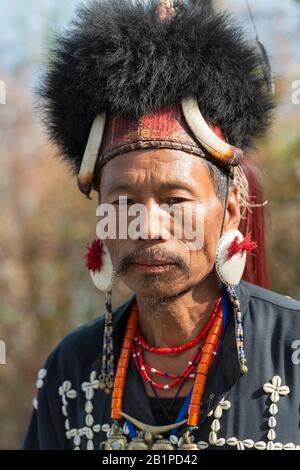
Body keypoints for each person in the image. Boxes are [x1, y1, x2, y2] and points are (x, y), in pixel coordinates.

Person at [23, 0, 300, 451]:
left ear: (230, 209)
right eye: (123, 201)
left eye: (175, 200)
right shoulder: (69, 370)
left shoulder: (292, 349)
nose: (147, 226)